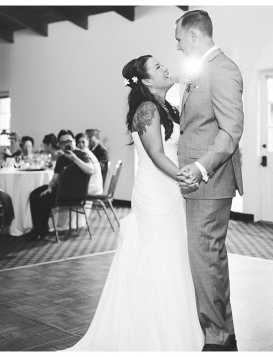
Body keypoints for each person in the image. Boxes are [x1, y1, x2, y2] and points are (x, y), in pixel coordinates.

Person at [66, 55, 203, 351]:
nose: (165, 67)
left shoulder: (167, 107)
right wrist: (183, 177)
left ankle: (173, 327)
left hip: (169, 192)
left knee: (172, 254)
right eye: (157, 67)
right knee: (159, 256)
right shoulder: (147, 109)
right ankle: (153, 334)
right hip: (155, 193)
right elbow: (155, 153)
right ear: (146, 81)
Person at [175, 10, 244, 352]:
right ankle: (224, 332)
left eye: (178, 39)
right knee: (212, 258)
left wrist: (201, 167)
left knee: (204, 258)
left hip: (209, 182)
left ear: (192, 35)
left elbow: (231, 131)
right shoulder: (202, 70)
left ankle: (216, 339)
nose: (177, 46)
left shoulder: (223, 69)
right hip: (202, 183)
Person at [26, 130, 94, 241]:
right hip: (60, 190)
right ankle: (37, 228)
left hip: (75, 192)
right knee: (34, 194)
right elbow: (55, 178)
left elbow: (90, 170)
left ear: (74, 141)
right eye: (63, 143)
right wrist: (50, 186)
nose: (67, 144)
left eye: (69, 141)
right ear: (60, 145)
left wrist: (74, 159)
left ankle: (41, 231)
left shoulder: (82, 154)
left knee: (44, 199)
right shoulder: (61, 159)